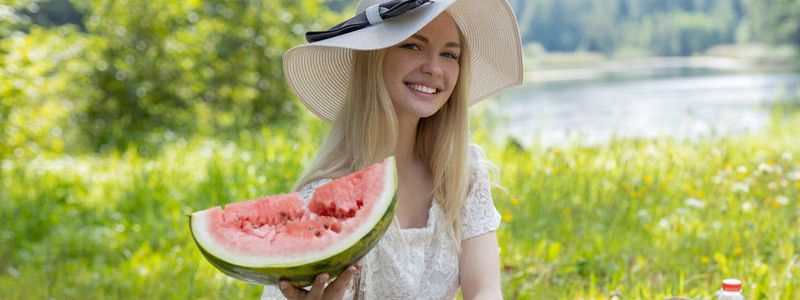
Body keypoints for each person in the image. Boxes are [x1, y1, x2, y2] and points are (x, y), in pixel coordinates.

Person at [263, 0, 522, 298]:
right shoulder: (323, 200)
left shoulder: (463, 170)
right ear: (373, 56)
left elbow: (485, 291)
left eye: (449, 54)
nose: (434, 67)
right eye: (412, 46)